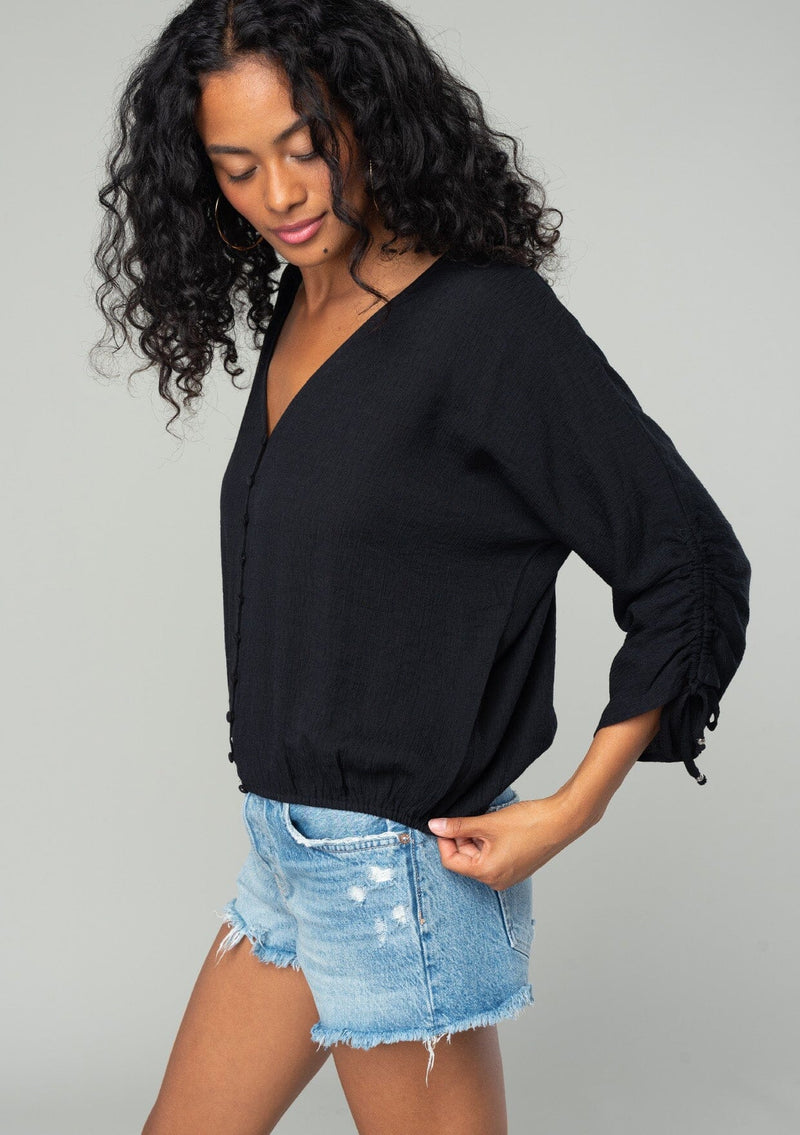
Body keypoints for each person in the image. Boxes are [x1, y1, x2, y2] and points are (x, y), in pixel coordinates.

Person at [92, 2, 751, 1132]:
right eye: (238, 168)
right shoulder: (303, 300)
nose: (280, 194)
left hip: (393, 866)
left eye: (305, 146)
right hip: (289, 848)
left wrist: (574, 806)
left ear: (369, 115)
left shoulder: (483, 319)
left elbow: (684, 556)